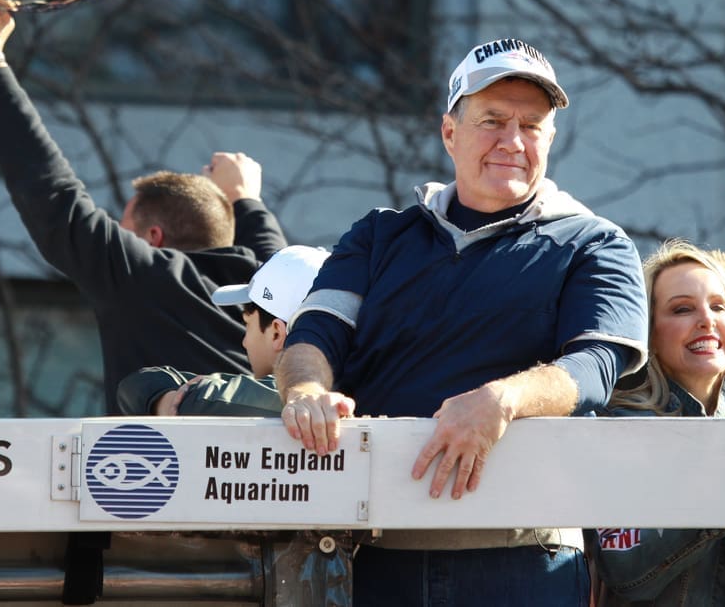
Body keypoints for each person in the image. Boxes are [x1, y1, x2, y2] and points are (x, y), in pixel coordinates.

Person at [274, 38, 650, 605]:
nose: (513, 141)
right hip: (372, 555)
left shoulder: (594, 243)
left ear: (551, 139)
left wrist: (500, 401)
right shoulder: (379, 235)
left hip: (526, 557)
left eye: (532, 125)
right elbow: (314, 335)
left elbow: (595, 368)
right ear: (449, 132)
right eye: (493, 120)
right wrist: (305, 391)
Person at [0, 0, 287, 413]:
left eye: (126, 232)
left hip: (157, 478)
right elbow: (275, 260)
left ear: (153, 237)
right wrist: (245, 201)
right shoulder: (271, 300)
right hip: (253, 481)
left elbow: (52, 195)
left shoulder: (145, 277)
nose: (121, 241)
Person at [588, 239, 725, 606]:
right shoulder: (616, 426)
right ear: (650, 333)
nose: (706, 319)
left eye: (719, 306)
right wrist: (724, 481)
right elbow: (627, 573)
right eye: (682, 309)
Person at [117, 245, 330, 417]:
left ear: (276, 333)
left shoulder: (298, 397)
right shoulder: (358, 380)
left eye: (248, 324)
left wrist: (175, 399)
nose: (245, 342)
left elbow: (140, 387)